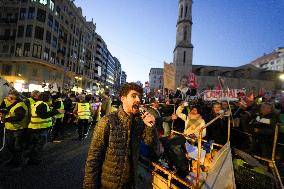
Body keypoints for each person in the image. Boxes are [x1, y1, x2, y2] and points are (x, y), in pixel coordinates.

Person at [84, 82, 157, 189]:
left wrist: (150, 126)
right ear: (123, 98)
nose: (138, 100)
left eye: (139, 97)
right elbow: (93, 159)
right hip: (109, 185)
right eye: (133, 96)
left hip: (130, 184)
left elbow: (150, 144)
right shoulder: (107, 122)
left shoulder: (139, 122)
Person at [25, 92, 65, 165]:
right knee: (39, 146)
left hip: (34, 127)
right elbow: (43, 115)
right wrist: (57, 111)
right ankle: (35, 160)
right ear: (47, 98)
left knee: (34, 145)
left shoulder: (35, 104)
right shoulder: (42, 104)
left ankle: (31, 159)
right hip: (40, 128)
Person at [0, 91, 28, 169]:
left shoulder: (20, 105)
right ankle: (13, 159)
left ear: (12, 97)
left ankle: (18, 162)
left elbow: (19, 117)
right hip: (11, 129)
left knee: (17, 147)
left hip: (18, 129)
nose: (7, 97)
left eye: (8, 96)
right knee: (10, 145)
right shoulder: (14, 103)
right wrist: (4, 111)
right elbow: (10, 110)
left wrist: (7, 119)